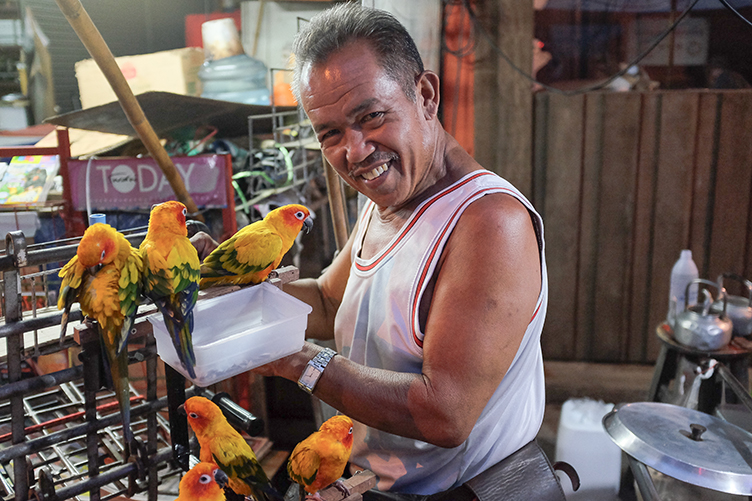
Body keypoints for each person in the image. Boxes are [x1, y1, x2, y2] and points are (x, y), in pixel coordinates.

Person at [194, 4, 549, 498]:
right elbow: (330, 301)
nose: (355, 151)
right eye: (331, 133)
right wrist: (232, 288)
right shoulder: (390, 200)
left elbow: (444, 413)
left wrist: (299, 362)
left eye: (372, 116)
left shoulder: (488, 222)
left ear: (425, 95)